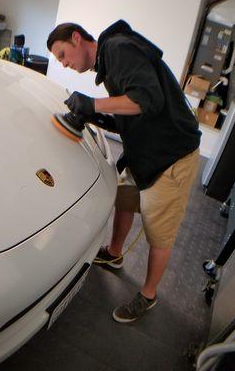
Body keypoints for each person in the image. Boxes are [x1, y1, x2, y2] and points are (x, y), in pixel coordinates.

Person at [47, 20, 201, 323]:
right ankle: (115, 252)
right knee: (125, 198)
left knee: (160, 231)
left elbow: (147, 100)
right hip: (144, 150)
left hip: (170, 157)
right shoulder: (110, 61)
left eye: (63, 55)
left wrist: (93, 103)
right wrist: (95, 115)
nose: (64, 64)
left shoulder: (118, 49)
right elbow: (129, 111)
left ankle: (148, 295)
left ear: (77, 39)